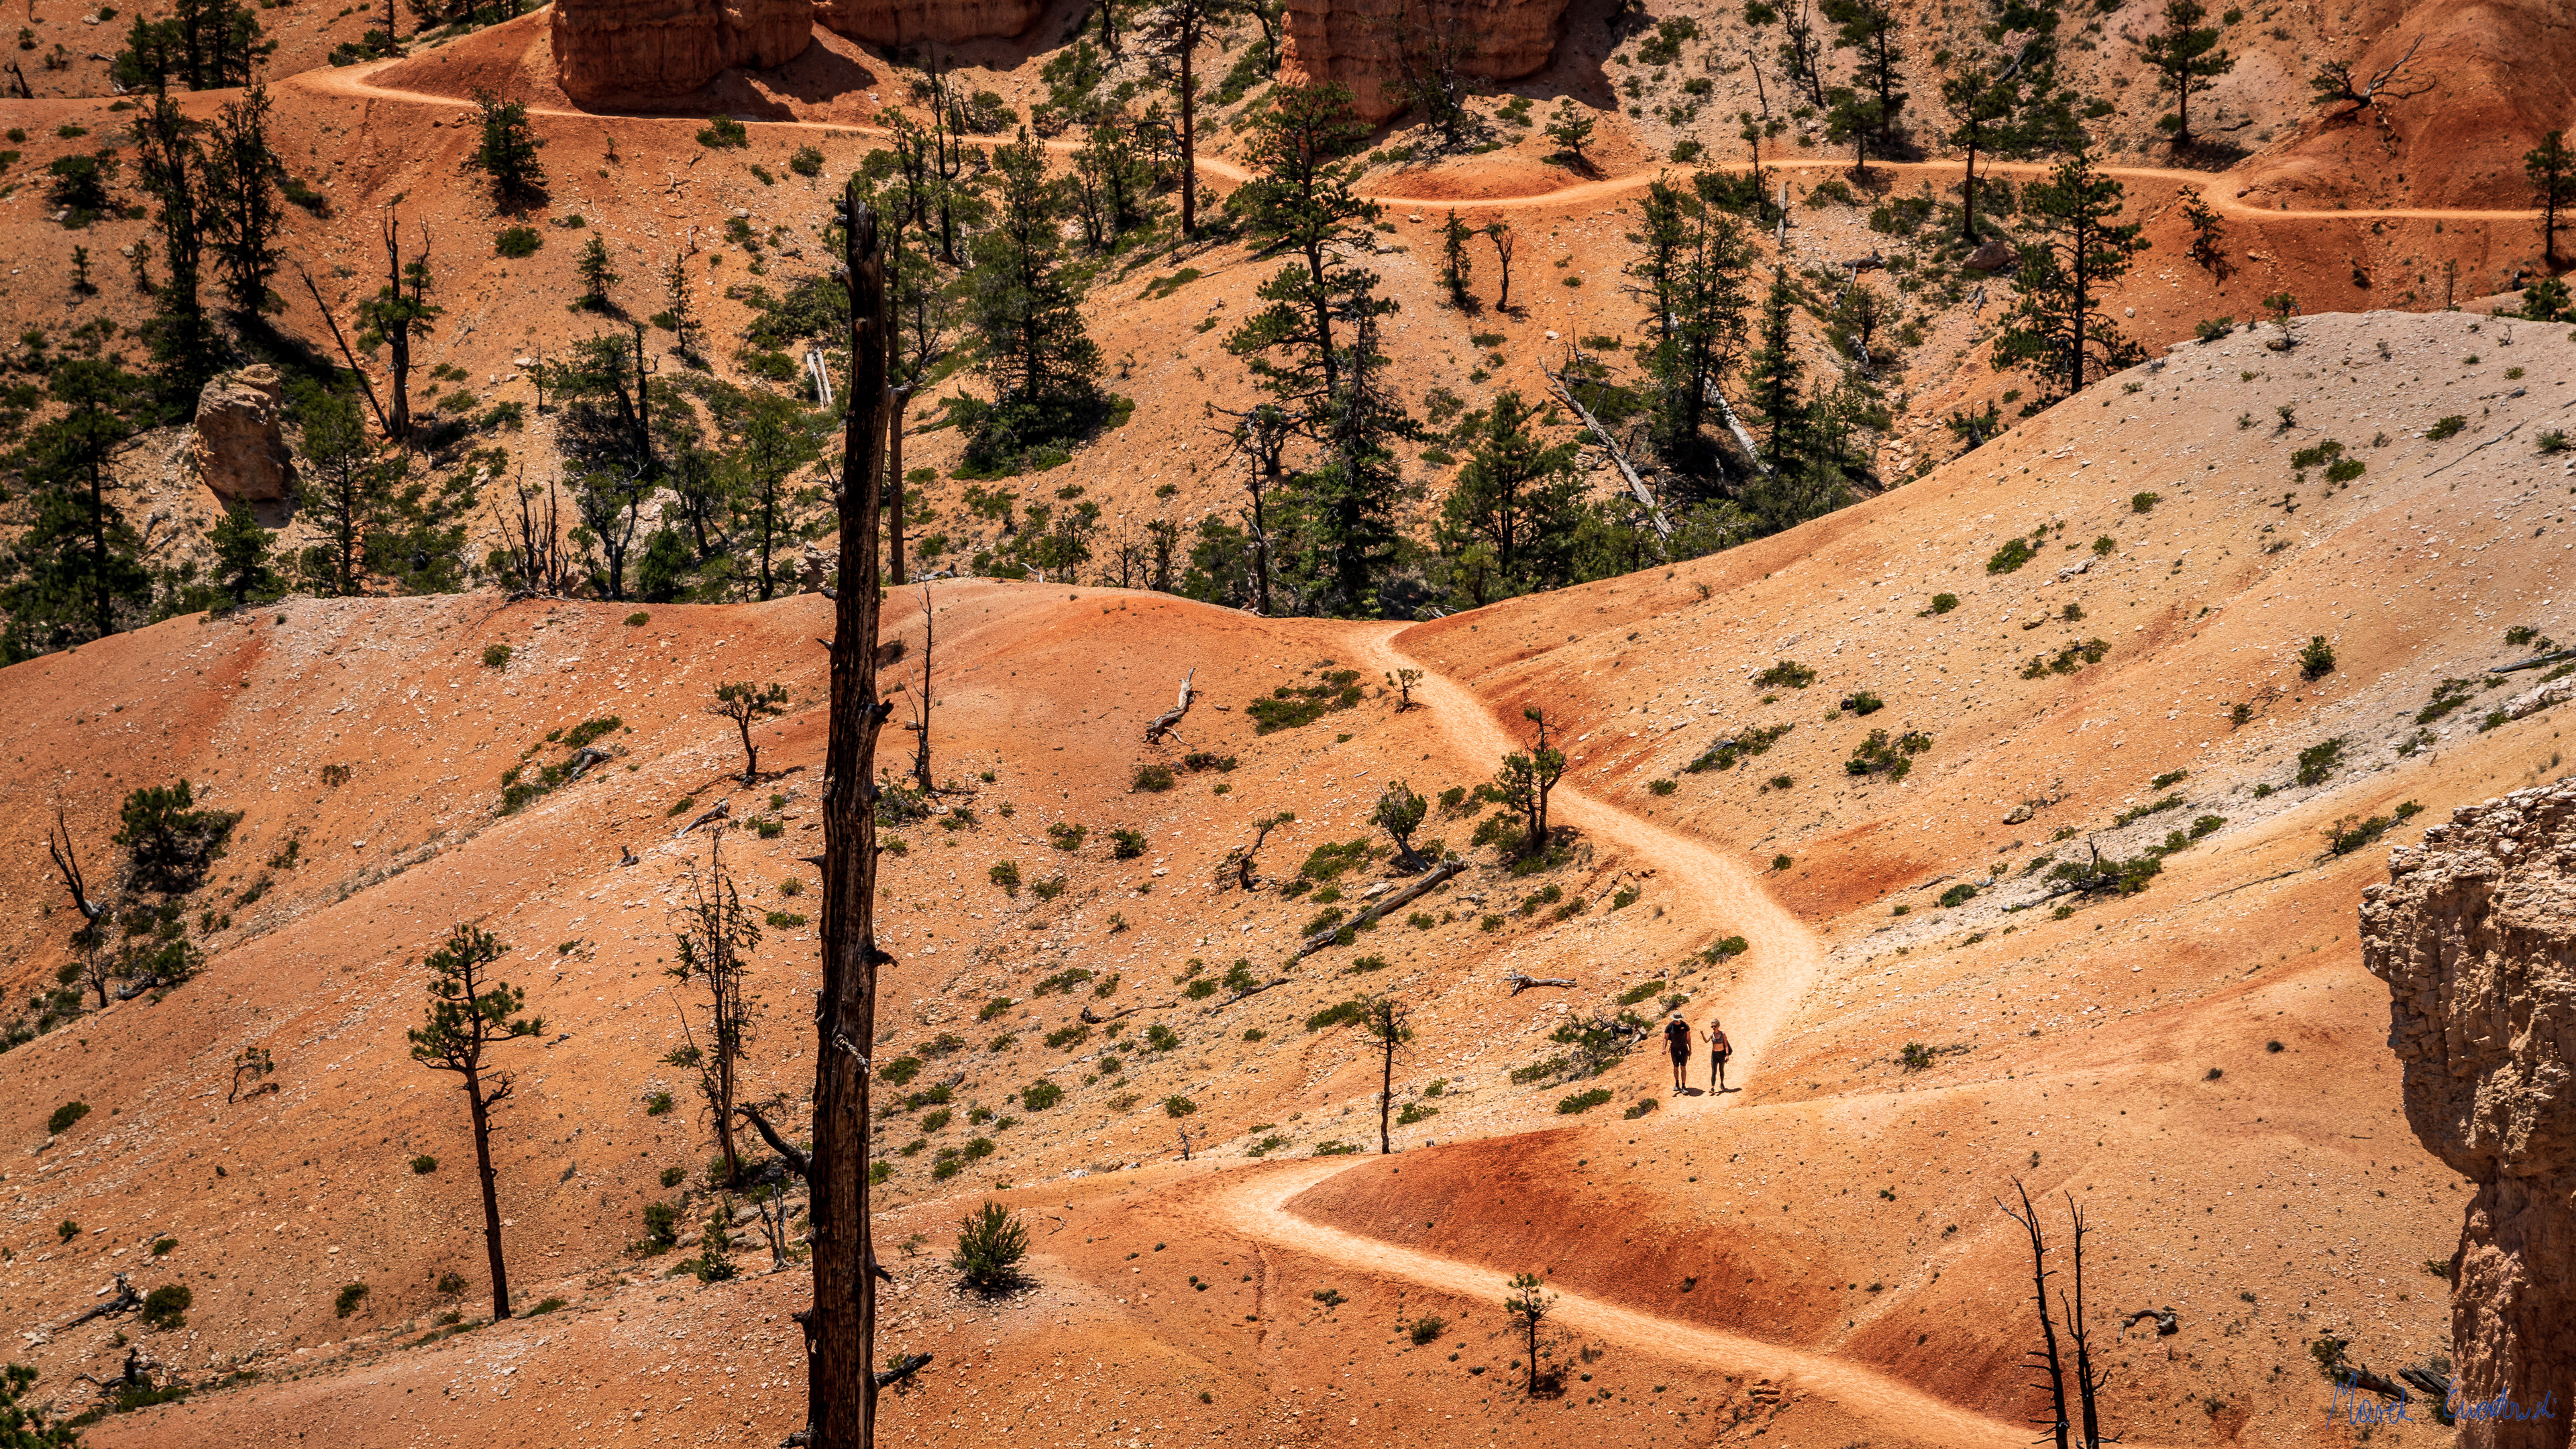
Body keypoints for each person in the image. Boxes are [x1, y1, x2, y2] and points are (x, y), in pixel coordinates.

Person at [1664, 1012, 1693, 1091]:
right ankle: (1677, 1084)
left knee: (1683, 1067)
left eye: (1678, 1020)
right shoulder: (1670, 1027)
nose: (1677, 1022)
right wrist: (1664, 1048)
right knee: (1676, 1067)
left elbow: (1688, 1038)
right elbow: (1665, 1038)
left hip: (1684, 1049)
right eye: (1675, 1020)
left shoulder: (1685, 1026)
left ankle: (1683, 1085)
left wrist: (1690, 1049)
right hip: (1674, 1049)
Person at [1705, 1018, 1733, 1093]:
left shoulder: (1723, 1034)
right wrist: (1702, 1034)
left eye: (1715, 1026)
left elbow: (1726, 1045)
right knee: (1714, 1071)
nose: (1713, 1028)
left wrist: (1727, 1055)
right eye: (1712, 1027)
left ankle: (1722, 1083)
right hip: (1714, 1055)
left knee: (1721, 1070)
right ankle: (1712, 1087)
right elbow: (1706, 1041)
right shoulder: (1712, 1035)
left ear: (1718, 1026)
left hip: (1722, 1054)